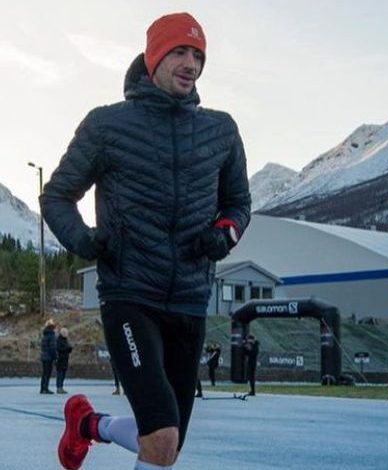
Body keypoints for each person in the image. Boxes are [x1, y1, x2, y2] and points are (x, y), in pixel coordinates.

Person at [41, 12, 250, 470]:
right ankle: (87, 425)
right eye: (179, 51)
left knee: (165, 445)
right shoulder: (106, 125)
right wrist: (84, 239)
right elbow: (56, 195)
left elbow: (238, 204)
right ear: (154, 56)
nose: (190, 63)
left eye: (198, 55)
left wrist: (225, 233)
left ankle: (86, 425)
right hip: (130, 293)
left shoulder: (221, 130)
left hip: (191, 298)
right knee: (160, 435)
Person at [40, 319, 57, 394]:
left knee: (44, 373)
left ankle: (42, 388)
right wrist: (55, 356)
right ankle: (45, 388)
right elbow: (52, 347)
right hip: (49, 356)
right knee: (48, 373)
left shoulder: (45, 335)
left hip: (44, 355)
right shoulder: (52, 336)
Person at [56, 327, 73, 394]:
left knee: (63, 374)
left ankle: (61, 387)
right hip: (60, 359)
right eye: (65, 333)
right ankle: (59, 387)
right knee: (60, 374)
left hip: (65, 359)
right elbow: (59, 349)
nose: (66, 334)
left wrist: (69, 348)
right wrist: (66, 348)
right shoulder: (59, 340)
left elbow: (66, 349)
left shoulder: (65, 340)